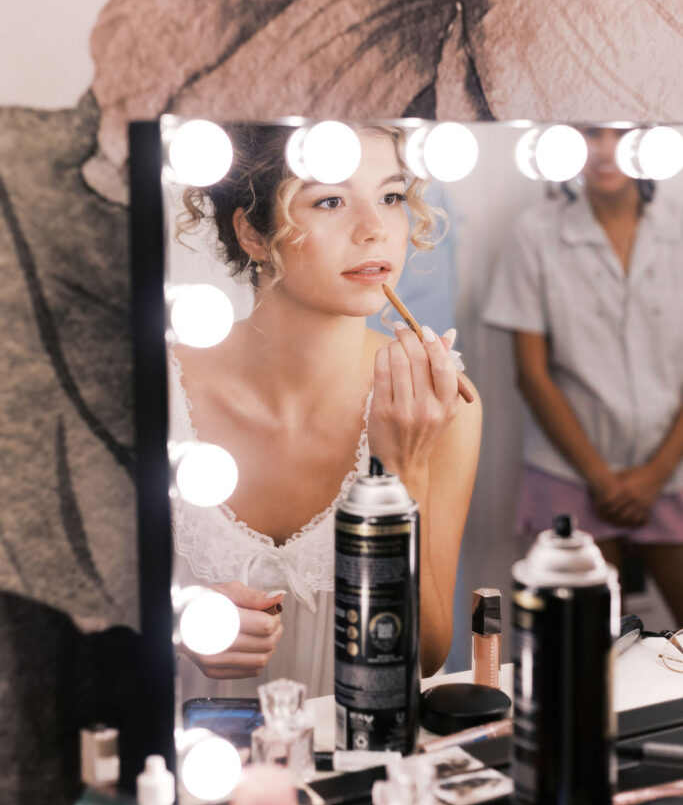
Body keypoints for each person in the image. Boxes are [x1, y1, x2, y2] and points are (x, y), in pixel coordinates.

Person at [170, 123, 482, 699]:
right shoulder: (160, 390)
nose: (376, 231)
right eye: (331, 200)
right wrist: (178, 626)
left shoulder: (442, 407)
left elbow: (428, 654)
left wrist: (401, 470)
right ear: (254, 233)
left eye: (391, 197)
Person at [484, 127, 683, 624]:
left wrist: (655, 473)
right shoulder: (536, 231)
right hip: (570, 473)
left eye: (622, 132)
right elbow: (531, 374)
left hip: (671, 467)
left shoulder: (679, 225)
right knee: (584, 646)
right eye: (590, 132)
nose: (605, 148)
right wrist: (600, 478)